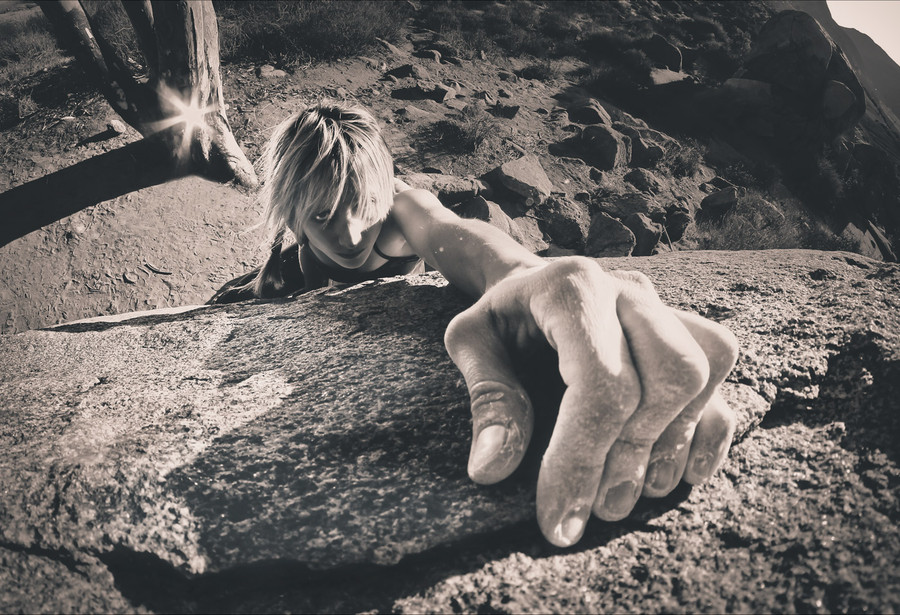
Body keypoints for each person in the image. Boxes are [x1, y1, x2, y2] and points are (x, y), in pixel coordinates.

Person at [209, 101, 739, 548]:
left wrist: (535, 281)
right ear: (291, 215)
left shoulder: (402, 212)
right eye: (321, 216)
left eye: (362, 204)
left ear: (384, 189)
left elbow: (463, 240)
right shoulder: (288, 260)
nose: (349, 235)